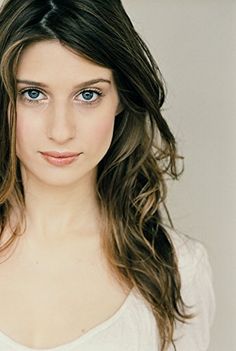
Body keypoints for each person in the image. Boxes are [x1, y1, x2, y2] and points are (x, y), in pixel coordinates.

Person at [0, 0, 215, 350]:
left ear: (120, 99)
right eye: (33, 94)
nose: (60, 130)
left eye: (88, 95)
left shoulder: (179, 269)